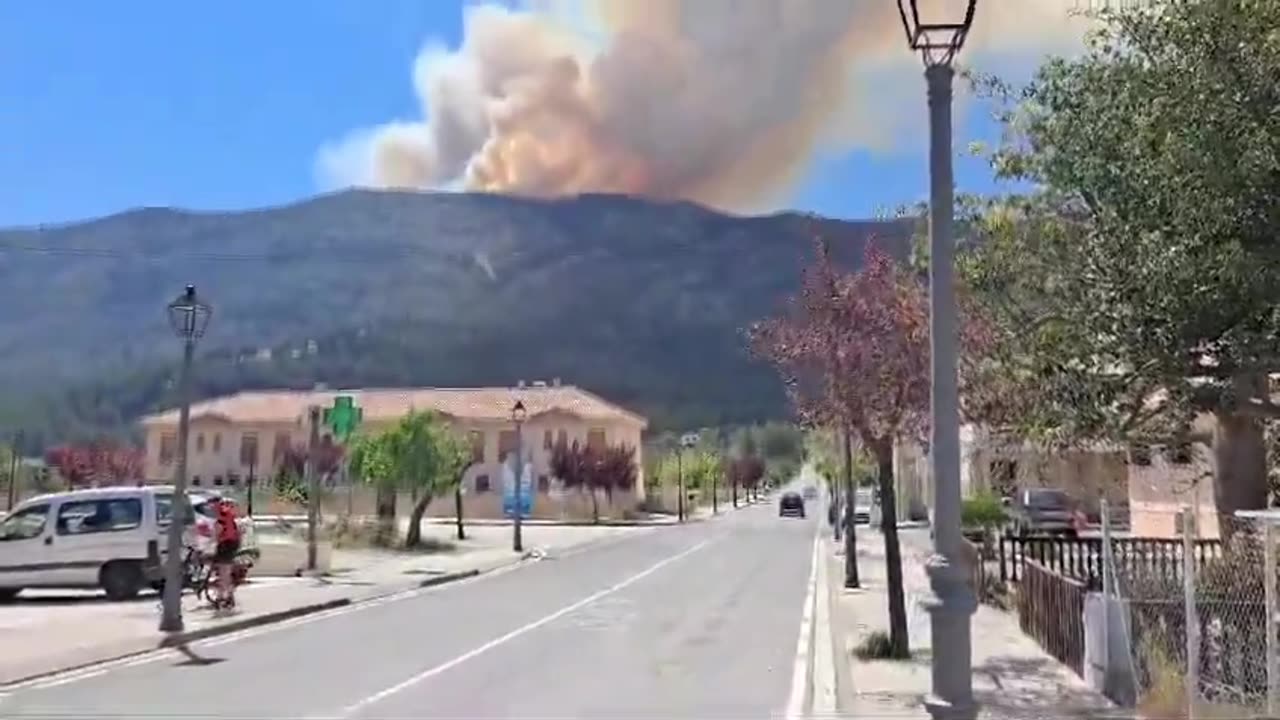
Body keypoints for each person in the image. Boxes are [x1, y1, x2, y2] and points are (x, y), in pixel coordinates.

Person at [212, 498, 242, 608]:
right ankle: (228, 595)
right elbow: (238, 533)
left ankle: (221, 597)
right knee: (227, 573)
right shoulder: (231, 518)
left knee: (223, 573)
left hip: (224, 546)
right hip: (232, 546)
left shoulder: (220, 521)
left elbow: (216, 536)